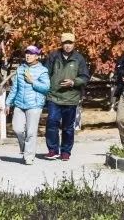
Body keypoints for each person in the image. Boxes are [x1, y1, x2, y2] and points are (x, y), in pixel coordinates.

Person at [44, 33, 90, 162]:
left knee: (68, 127)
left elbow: (85, 77)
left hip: (71, 98)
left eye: (70, 43)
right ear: (61, 43)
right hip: (54, 96)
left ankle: (65, 151)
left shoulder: (79, 59)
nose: (68, 45)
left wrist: (74, 82)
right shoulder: (53, 56)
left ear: (74, 44)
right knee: (52, 122)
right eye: (65, 43)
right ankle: (52, 150)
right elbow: (45, 73)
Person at [5, 45, 50, 165]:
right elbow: (14, 88)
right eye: (26, 53)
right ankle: (25, 149)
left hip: (34, 105)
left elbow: (46, 88)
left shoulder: (42, 70)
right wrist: (8, 103)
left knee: (31, 132)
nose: (28, 55)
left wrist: (32, 82)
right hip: (19, 104)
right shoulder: (20, 69)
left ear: (37, 56)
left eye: (31, 53)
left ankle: (29, 156)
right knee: (17, 129)